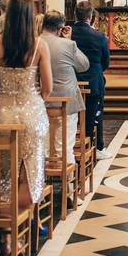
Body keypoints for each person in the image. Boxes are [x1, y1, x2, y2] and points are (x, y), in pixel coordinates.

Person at [0, 0, 51, 255]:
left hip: (4, 112)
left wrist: (3, 99)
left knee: (5, 172)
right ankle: (26, 222)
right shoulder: (39, 45)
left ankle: (9, 236)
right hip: (32, 113)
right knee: (29, 173)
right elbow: (48, 87)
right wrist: (32, 100)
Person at [39, 10, 89, 159]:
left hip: (41, 101)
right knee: (65, 147)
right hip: (66, 102)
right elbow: (84, 65)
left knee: (44, 148)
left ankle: (44, 180)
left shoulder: (33, 42)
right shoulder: (68, 44)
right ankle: (68, 181)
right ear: (61, 28)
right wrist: (68, 39)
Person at [71, 1, 111, 158]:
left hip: (72, 80)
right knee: (95, 114)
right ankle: (97, 147)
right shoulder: (98, 35)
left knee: (73, 115)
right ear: (91, 16)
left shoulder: (69, 33)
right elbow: (105, 61)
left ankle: (73, 146)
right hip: (94, 79)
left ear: (76, 15)